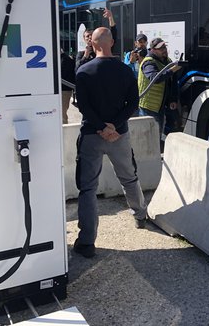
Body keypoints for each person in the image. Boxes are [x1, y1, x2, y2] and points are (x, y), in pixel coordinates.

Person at [73, 27, 148, 258]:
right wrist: (114, 126)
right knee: (129, 176)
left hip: (91, 136)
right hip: (120, 135)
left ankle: (87, 242)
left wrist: (101, 127)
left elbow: (83, 106)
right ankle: (140, 215)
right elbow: (132, 103)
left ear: (93, 45)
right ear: (112, 42)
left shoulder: (83, 71)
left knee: (88, 187)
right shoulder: (125, 70)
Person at [137, 37, 180, 139]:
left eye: (164, 47)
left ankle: (155, 152)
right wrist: (172, 70)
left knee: (157, 134)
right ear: (153, 50)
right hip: (149, 106)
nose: (164, 50)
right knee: (148, 137)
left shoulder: (167, 61)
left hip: (160, 105)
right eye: (161, 48)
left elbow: (172, 82)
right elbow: (155, 79)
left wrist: (173, 99)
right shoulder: (148, 62)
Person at [75, 8, 117, 72]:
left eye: (92, 35)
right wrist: (85, 56)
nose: (90, 38)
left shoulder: (103, 50)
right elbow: (77, 70)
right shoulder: (81, 54)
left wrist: (110, 18)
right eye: (87, 36)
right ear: (84, 39)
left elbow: (113, 35)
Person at [60, 49, 76, 124]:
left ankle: (64, 131)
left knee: (62, 113)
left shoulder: (66, 60)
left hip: (64, 90)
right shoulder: (66, 59)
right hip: (64, 89)